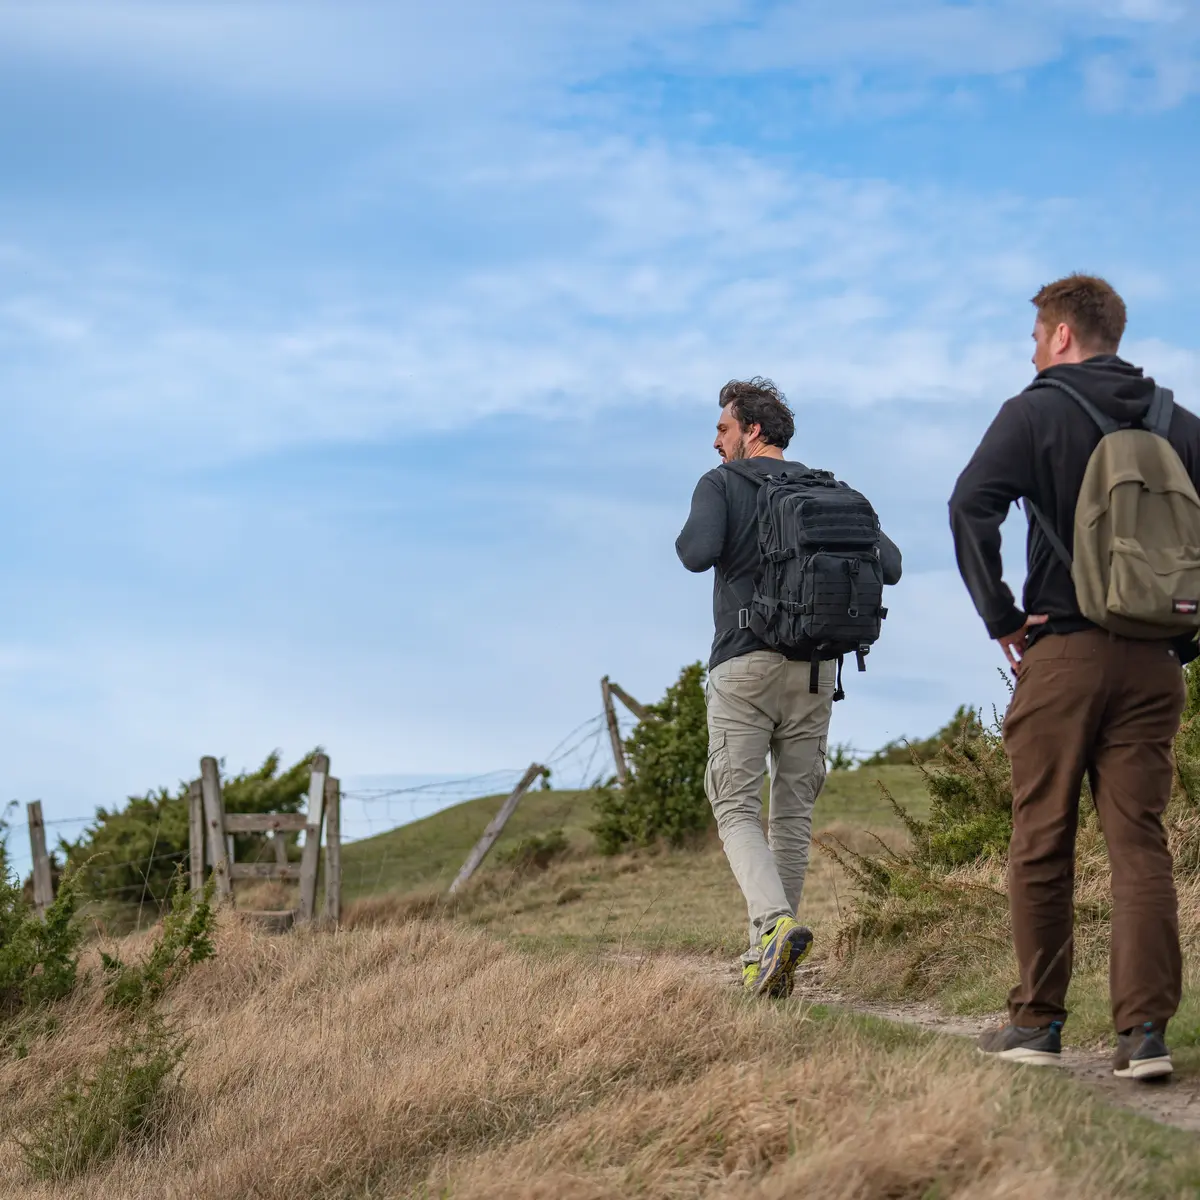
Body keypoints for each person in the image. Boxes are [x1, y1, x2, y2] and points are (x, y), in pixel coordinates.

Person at [950, 273, 1200, 1079]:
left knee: (1042, 838)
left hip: (1061, 651)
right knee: (1140, 845)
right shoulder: (1180, 424)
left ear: (1059, 335)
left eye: (1034, 338)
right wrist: (1183, 636)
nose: (1032, 353)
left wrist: (1000, 617)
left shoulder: (1034, 409)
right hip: (1155, 662)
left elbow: (969, 506)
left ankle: (1037, 1024)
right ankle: (1146, 1035)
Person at [676, 378, 902, 998]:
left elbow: (696, 553)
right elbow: (893, 565)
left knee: (735, 806)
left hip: (745, 665)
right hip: (816, 671)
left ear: (752, 431)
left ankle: (772, 928)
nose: (715, 441)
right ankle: (771, 953)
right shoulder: (832, 490)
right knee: (794, 814)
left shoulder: (720, 483)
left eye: (722, 428)